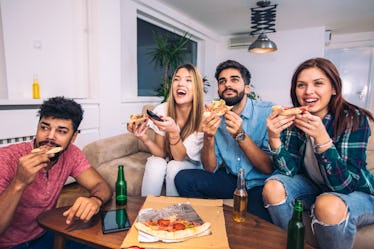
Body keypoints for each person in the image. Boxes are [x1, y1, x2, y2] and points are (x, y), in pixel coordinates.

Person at [263, 57, 374, 249]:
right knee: (273, 187)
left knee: (327, 204)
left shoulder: (354, 119)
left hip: (357, 193)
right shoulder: (295, 118)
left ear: (334, 89)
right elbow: (288, 172)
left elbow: (344, 187)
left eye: (318, 83)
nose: (308, 91)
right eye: (301, 85)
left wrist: (322, 140)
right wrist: (274, 137)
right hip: (313, 185)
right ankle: (291, 244)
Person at [0, 96, 112, 249]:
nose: (50, 136)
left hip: (45, 233)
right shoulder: (6, 158)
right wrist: (18, 182)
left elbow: (101, 185)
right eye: (44, 127)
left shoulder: (71, 154)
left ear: (73, 137)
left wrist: (95, 200)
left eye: (61, 131)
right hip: (10, 244)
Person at [175, 60, 274, 222]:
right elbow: (209, 168)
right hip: (232, 179)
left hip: (259, 183)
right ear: (219, 90)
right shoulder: (215, 114)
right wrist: (208, 136)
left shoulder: (267, 112)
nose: (227, 84)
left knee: (252, 225)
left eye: (234, 79)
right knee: (183, 178)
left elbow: (268, 167)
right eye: (222, 81)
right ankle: (203, 224)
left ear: (247, 88)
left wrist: (240, 135)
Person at [127, 63, 205, 196]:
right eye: (176, 79)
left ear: (197, 88)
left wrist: (173, 131)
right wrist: (144, 138)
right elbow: (161, 154)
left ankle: (174, 214)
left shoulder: (203, 116)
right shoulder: (162, 109)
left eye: (188, 80)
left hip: (193, 165)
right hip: (170, 159)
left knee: (174, 167)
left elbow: (179, 157)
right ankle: (146, 210)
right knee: (155, 163)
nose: (180, 84)